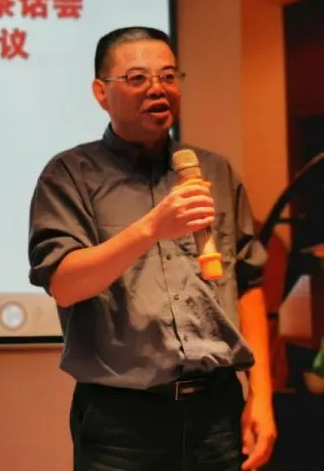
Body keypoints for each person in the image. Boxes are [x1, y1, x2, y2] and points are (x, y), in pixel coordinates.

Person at [28, 26, 277, 470]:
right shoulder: (70, 174)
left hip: (218, 413)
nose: (157, 89)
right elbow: (64, 284)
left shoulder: (213, 170)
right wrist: (150, 229)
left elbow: (248, 283)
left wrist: (261, 395)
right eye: (137, 78)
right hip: (122, 423)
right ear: (101, 92)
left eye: (168, 76)